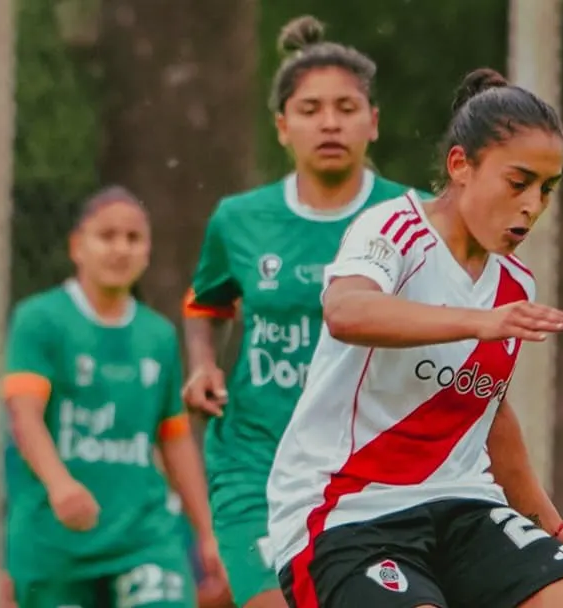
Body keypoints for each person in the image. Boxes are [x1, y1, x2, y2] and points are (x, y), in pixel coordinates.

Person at [267, 67, 563, 608]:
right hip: (349, 511)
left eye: (547, 189)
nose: (533, 205)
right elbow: (346, 310)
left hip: (463, 505)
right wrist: (476, 322)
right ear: (460, 166)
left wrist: (551, 524)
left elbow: (487, 412)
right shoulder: (395, 231)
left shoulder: (514, 281)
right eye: (518, 183)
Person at [181, 15, 425, 608]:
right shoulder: (239, 219)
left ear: (373, 122)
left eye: (347, 107)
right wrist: (203, 364)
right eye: (311, 109)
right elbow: (203, 301)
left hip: (364, 468)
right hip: (254, 459)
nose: (330, 122)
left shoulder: (415, 216)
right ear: (283, 127)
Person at [1, 186, 224, 608]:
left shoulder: (157, 335)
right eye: (107, 236)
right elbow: (23, 416)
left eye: (133, 238)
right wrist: (60, 484)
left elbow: (173, 439)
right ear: (77, 247)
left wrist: (207, 533)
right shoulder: (40, 320)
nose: (120, 249)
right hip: (56, 544)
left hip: (143, 538)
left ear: (147, 252)